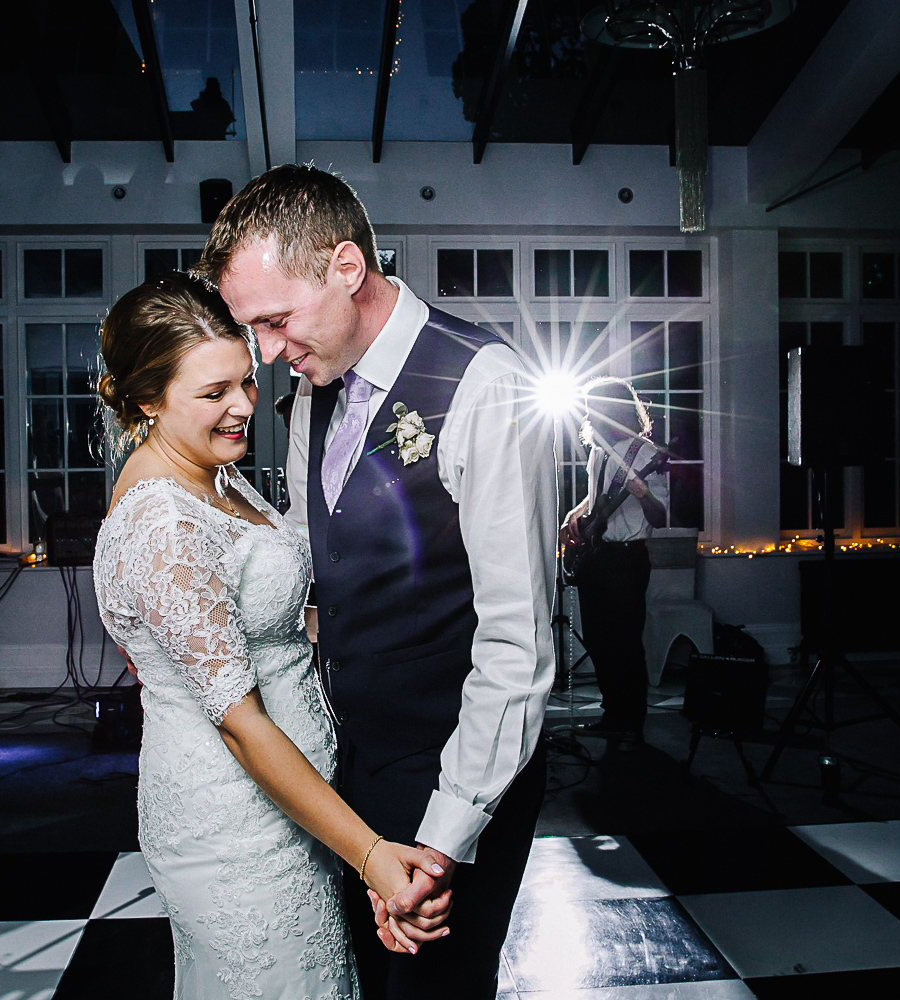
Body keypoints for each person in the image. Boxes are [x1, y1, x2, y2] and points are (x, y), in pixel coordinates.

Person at [197, 164, 557, 998]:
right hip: (353, 769)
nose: (272, 355)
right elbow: (314, 561)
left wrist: (442, 841)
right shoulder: (310, 397)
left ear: (348, 268)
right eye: (256, 332)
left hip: (459, 771)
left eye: (278, 322)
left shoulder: (484, 383)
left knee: (437, 991)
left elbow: (518, 648)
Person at [92, 272, 447, 1000]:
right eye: (213, 393)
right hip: (236, 830)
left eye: (246, 382)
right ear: (145, 401)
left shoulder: (214, 478)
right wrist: (372, 855)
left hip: (295, 812)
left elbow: (252, 626)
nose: (243, 407)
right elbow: (240, 726)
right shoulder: (162, 522)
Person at [562, 377, 667, 752]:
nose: (589, 414)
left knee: (625, 642)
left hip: (627, 560)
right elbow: (596, 499)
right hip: (597, 557)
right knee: (598, 640)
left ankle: (632, 721)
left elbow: (660, 516)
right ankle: (611, 715)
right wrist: (574, 516)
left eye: (595, 406)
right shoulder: (598, 451)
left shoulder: (647, 453)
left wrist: (643, 492)